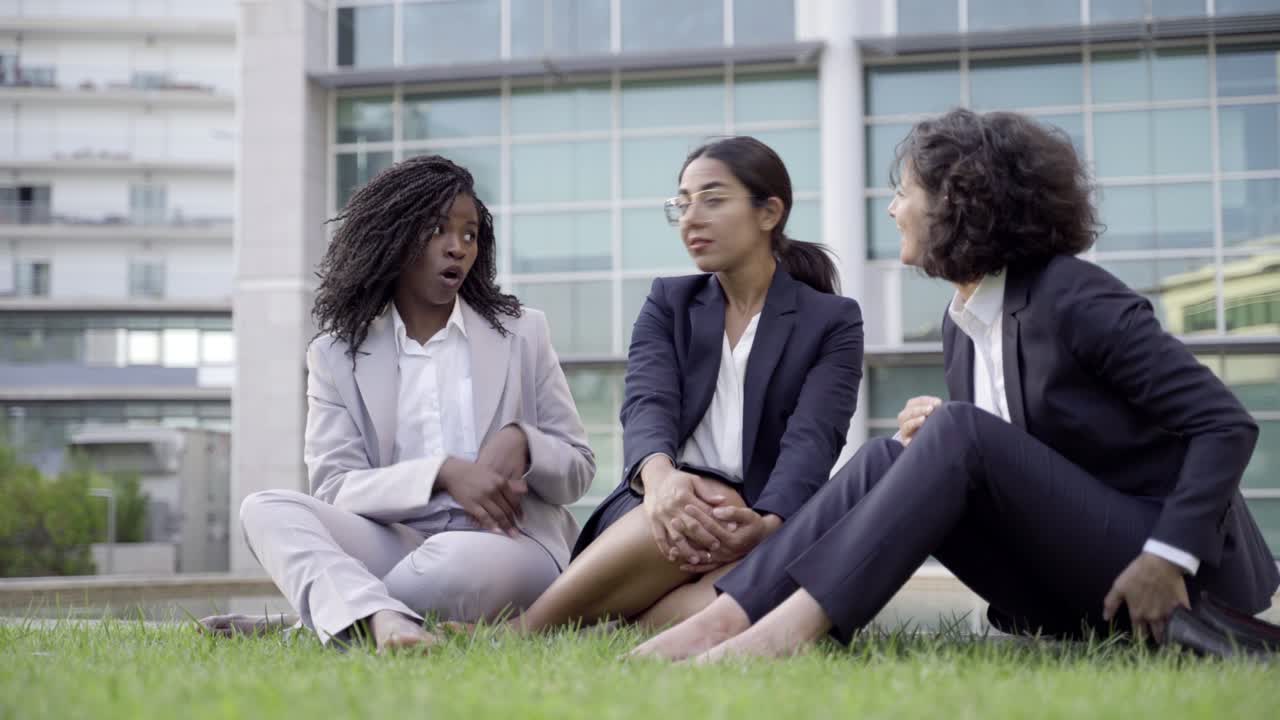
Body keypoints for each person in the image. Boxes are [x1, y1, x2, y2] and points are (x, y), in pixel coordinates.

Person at [631, 108, 1280, 661]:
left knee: (957, 430)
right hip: (1069, 588)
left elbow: (1224, 423)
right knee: (892, 453)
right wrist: (946, 440)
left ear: (957, 200)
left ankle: (780, 638)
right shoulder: (964, 320)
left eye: (904, 191)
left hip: (1173, 584)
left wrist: (1169, 557)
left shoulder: (1074, 296)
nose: (892, 208)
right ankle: (721, 623)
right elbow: (1032, 459)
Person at [200, 155, 595, 652]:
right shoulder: (335, 355)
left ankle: (324, 620)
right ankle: (380, 619)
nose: (457, 248)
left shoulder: (522, 332)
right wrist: (442, 473)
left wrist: (525, 443)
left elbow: (579, 468)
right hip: (394, 541)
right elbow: (336, 487)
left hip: (508, 542)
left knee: (451, 561)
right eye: (437, 230)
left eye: (469, 235)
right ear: (393, 236)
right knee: (264, 509)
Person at [488, 136, 864, 635]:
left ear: (769, 213)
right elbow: (648, 402)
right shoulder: (670, 301)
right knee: (699, 497)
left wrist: (768, 524)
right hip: (654, 510)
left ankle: (628, 623)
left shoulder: (832, 320)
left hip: (762, 519)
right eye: (682, 204)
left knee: (776, 594)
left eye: (712, 199)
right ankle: (526, 630)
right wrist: (662, 481)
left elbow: (814, 435)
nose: (691, 218)